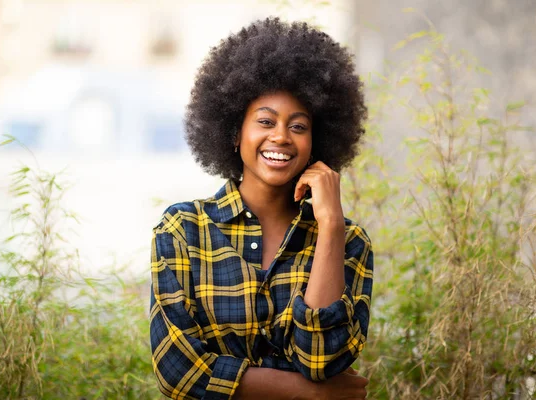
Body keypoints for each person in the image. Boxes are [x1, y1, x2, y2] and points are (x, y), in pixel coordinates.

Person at [150, 17, 373, 400]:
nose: (281, 136)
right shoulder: (183, 229)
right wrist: (309, 394)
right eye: (266, 121)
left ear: (317, 141)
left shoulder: (347, 241)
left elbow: (321, 359)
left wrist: (331, 225)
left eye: (299, 126)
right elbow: (178, 372)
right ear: (235, 132)